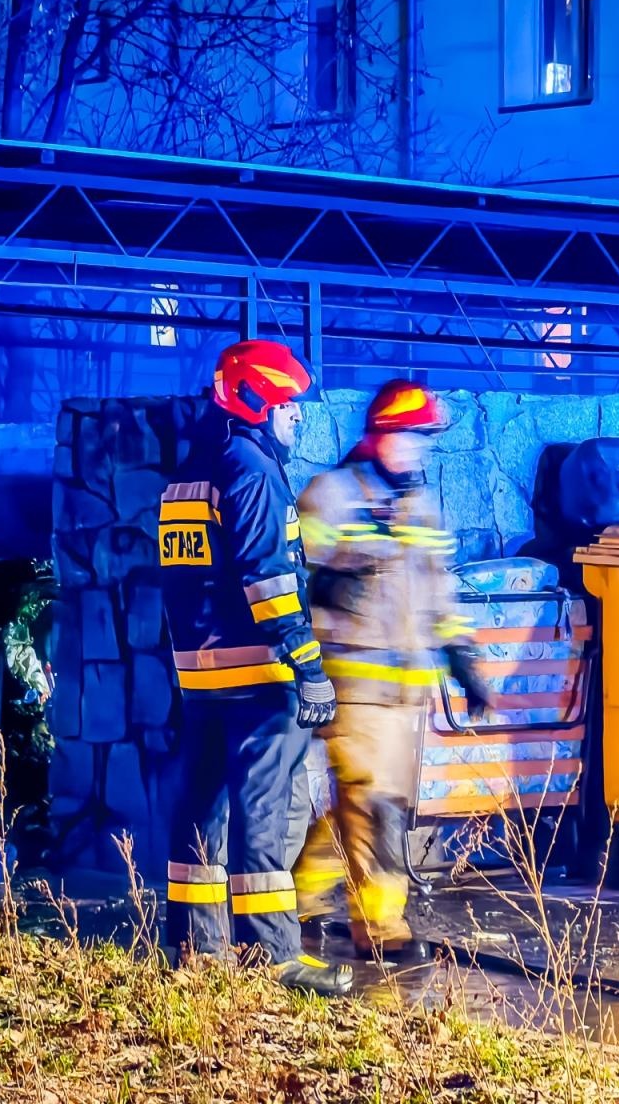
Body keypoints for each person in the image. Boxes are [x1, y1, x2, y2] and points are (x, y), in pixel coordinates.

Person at [157, 340, 353, 997]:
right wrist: (309, 667)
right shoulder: (253, 471)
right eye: (289, 408)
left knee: (200, 815)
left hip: (202, 676)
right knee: (264, 816)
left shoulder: (190, 471)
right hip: (260, 677)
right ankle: (271, 959)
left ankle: (194, 951)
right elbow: (268, 580)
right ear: (258, 403)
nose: (295, 420)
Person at [294, 380, 491, 962]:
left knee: (365, 810)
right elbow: (295, 562)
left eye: (423, 440)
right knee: (375, 807)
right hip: (352, 688)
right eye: (409, 437)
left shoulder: (421, 506)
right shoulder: (330, 494)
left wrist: (464, 659)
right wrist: (347, 559)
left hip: (406, 694)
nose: (416, 450)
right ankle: (382, 929)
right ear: (379, 435)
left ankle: (291, 903)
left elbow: (439, 592)